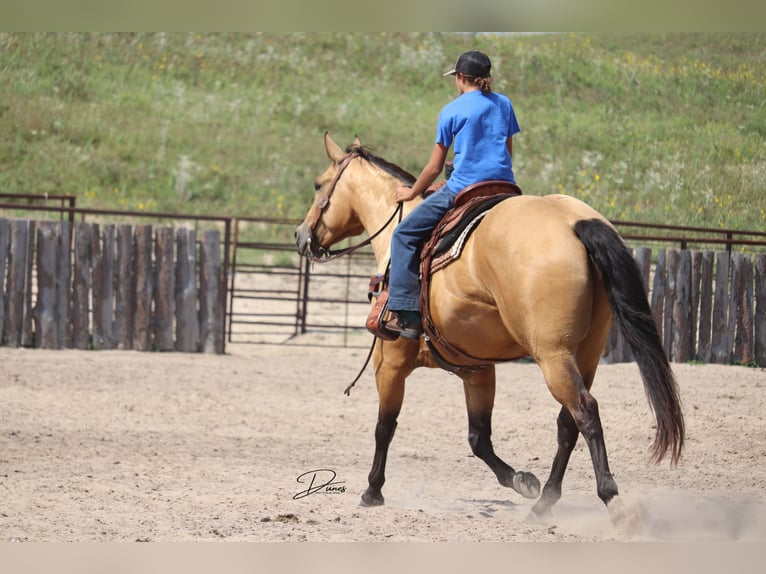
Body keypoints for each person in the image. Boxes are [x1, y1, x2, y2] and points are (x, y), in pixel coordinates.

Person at [386, 50, 521, 339]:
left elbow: (434, 167)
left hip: (464, 188)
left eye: (456, 79)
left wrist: (412, 192)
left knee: (403, 235)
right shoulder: (504, 104)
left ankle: (407, 315)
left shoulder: (452, 110)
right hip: (505, 186)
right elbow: (507, 152)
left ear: (460, 78)